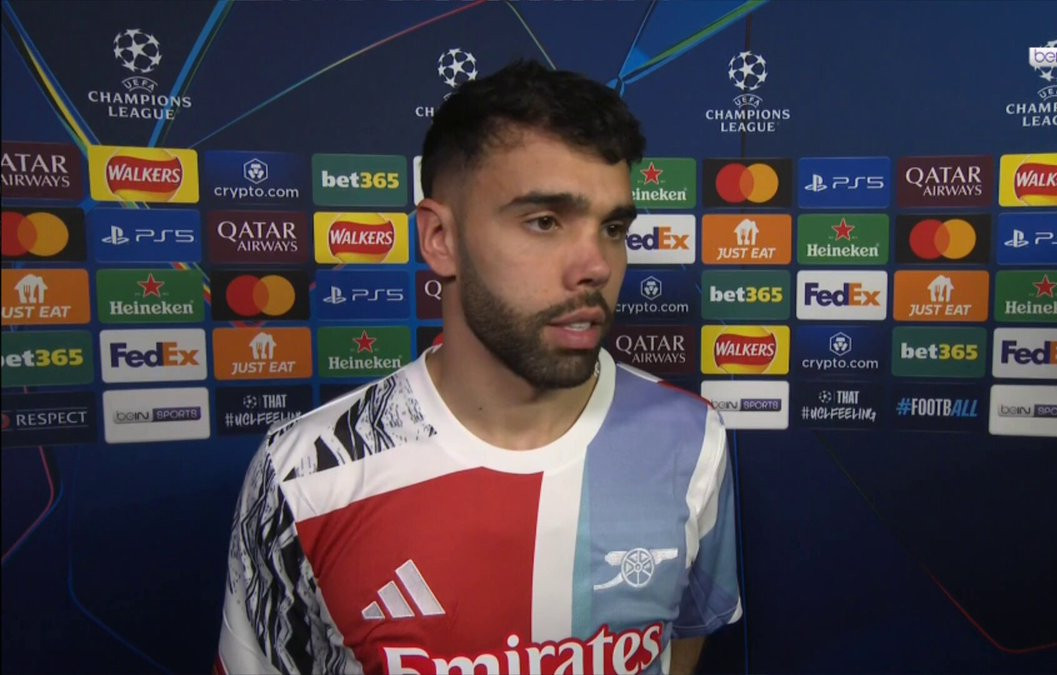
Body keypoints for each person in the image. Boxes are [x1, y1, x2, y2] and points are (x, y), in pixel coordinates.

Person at [217, 60, 741, 675]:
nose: (596, 265)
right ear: (440, 239)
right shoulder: (305, 473)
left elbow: (683, 644)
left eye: (613, 227)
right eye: (544, 221)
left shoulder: (691, 437)